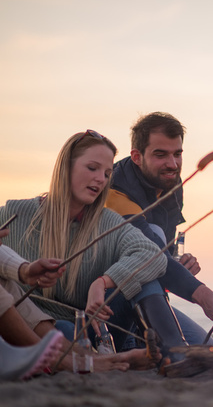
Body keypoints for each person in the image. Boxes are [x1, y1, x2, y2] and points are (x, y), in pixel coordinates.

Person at [0, 129, 187, 364]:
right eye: (92, 168)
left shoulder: (107, 222)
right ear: (66, 167)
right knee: (66, 331)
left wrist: (103, 282)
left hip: (97, 330)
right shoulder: (16, 213)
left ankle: (174, 354)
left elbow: (154, 255)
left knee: (143, 277)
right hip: (37, 328)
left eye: (108, 173)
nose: (101, 179)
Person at [106, 112, 213, 345]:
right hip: (111, 304)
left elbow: (164, 253)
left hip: (153, 300)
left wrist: (177, 262)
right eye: (160, 155)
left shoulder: (170, 182)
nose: (172, 164)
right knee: (150, 236)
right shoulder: (115, 191)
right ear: (136, 156)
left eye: (177, 154)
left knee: (207, 347)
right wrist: (206, 298)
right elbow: (150, 255)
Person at [0, 227, 155, 372]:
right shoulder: (18, 210)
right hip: (64, 324)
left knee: (6, 284)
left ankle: (90, 357)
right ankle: (55, 360)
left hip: (61, 329)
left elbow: (152, 253)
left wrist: (24, 270)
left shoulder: (109, 219)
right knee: (66, 328)